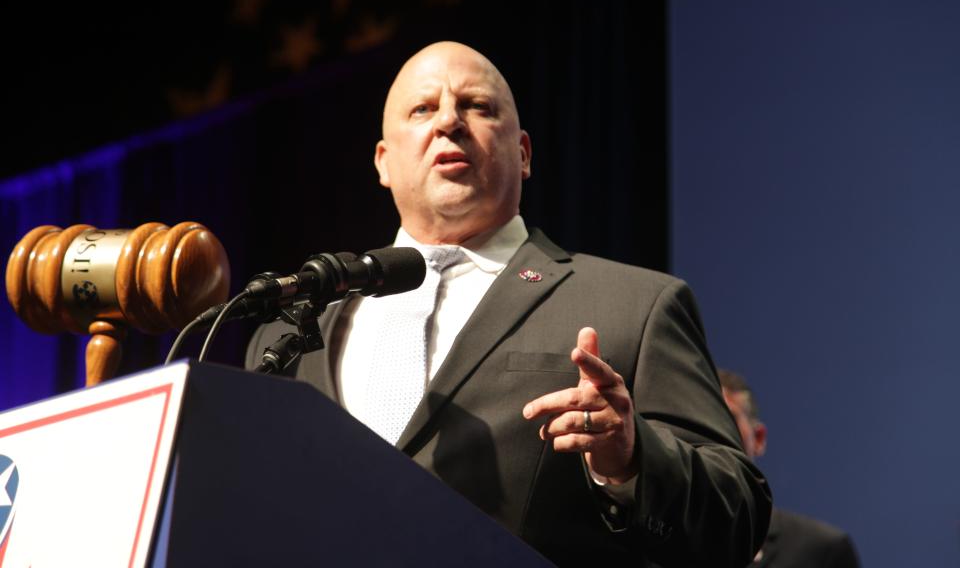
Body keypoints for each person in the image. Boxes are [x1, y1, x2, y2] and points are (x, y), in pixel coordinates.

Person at [247, 41, 771, 566]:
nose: (449, 121)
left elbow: (738, 518)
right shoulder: (288, 334)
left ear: (522, 154)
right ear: (384, 160)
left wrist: (631, 460)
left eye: (477, 106)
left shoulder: (636, 305)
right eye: (423, 108)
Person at [719, 369, 861, 567]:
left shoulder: (823, 552)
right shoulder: (663, 544)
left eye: (726, 418)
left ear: (758, 438)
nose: (711, 433)